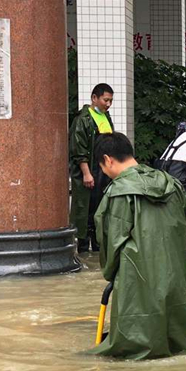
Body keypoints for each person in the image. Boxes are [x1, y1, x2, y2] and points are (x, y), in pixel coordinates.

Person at [88, 132, 186, 360]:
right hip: (173, 273)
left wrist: (111, 273)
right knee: (175, 344)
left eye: (102, 166)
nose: (104, 173)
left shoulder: (117, 192)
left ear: (108, 160)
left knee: (131, 350)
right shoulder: (171, 183)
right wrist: (182, 264)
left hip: (134, 277)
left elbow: (111, 242)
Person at [69, 83, 114, 253]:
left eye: (110, 101)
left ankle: (97, 247)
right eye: (105, 100)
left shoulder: (106, 116)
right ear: (94, 98)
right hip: (88, 171)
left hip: (103, 171)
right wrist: (87, 173)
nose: (108, 104)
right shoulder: (83, 119)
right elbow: (78, 150)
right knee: (85, 210)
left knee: (99, 209)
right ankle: (82, 247)